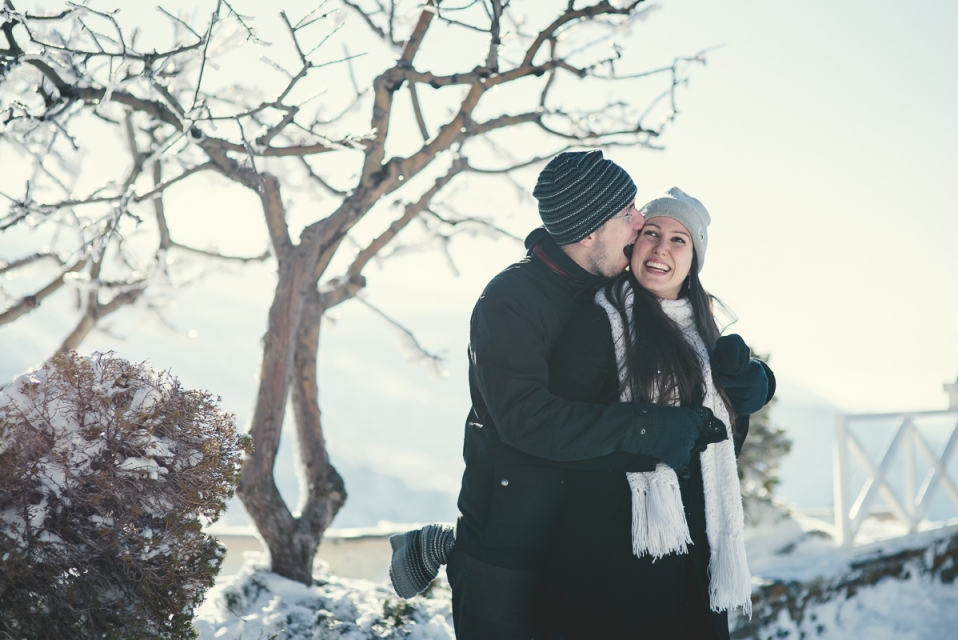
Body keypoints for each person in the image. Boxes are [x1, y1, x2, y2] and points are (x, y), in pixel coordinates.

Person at [387, 154, 768, 640]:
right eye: (628, 214)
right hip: (511, 539)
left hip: (572, 525)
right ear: (589, 232)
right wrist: (651, 428)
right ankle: (448, 547)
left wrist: (752, 382)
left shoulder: (614, 289)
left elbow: (684, 349)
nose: (639, 224)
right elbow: (526, 419)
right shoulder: (511, 300)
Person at [535, 187, 774, 639]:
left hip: (696, 547)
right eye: (651, 232)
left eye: (679, 239)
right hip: (617, 546)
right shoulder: (597, 322)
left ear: (694, 258)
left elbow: (718, 440)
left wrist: (749, 390)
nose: (662, 247)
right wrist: (652, 438)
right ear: (634, 242)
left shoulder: (704, 330)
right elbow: (566, 434)